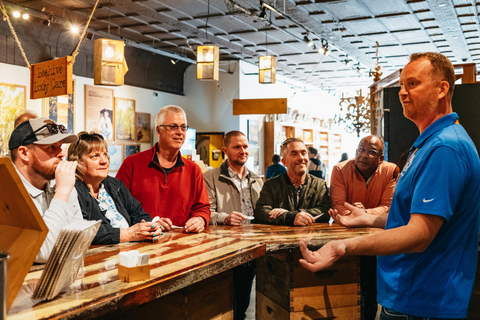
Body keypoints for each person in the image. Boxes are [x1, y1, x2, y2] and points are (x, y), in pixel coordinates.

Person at [300, 52, 480, 320]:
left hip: (422, 301)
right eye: (402, 85)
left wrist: (344, 246)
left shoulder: (445, 148)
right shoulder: (429, 144)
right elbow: (413, 217)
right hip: (410, 297)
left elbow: (419, 235)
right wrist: (370, 220)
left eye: (413, 84)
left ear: (442, 89)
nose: (402, 93)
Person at [329, 135, 399, 320]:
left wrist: (364, 213)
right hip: (347, 237)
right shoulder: (340, 169)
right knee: (346, 290)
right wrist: (356, 214)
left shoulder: (391, 170)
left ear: (381, 158)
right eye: (361, 149)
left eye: (371, 152)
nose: (364, 155)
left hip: (378, 240)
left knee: (372, 291)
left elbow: (389, 207)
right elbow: (337, 204)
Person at [116, 105, 210, 233]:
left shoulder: (194, 170)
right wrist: (150, 223)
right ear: (158, 131)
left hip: (183, 244)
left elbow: (202, 207)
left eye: (183, 127)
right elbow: (117, 206)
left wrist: (200, 219)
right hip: (142, 243)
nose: (179, 132)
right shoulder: (132, 164)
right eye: (173, 127)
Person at [203, 130, 262, 320]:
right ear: (225, 150)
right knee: (226, 304)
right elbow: (205, 213)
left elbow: (262, 211)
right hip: (225, 249)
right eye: (237, 147)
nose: (243, 151)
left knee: (244, 301)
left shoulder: (256, 179)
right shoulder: (210, 178)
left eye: (245, 146)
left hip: (254, 247)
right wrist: (225, 218)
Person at [8, 117, 83, 263]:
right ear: (24, 153)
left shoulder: (60, 183)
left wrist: (63, 189)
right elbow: (41, 252)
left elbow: (78, 241)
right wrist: (62, 193)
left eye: (61, 146)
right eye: (52, 147)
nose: (62, 153)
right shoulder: (8, 191)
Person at [67, 132, 161, 245]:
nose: (104, 161)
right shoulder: (72, 190)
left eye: (105, 154)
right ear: (77, 162)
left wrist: (148, 228)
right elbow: (84, 231)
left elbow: (139, 213)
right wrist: (128, 234)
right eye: (95, 156)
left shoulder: (115, 185)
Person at [254, 138, 331, 225]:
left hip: (311, 236)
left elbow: (325, 211)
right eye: (294, 154)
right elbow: (261, 213)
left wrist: (292, 215)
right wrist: (289, 217)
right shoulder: (271, 185)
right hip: (280, 237)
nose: (301, 158)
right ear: (284, 162)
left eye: (304, 153)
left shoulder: (319, 184)